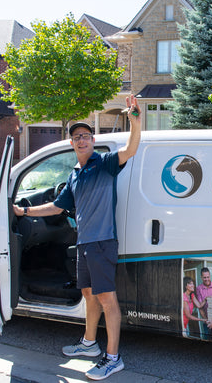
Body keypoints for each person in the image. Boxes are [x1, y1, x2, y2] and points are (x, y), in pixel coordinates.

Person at [13, 95, 141, 381]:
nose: (81, 141)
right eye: (76, 138)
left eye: (85, 136)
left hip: (102, 242)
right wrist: (22, 210)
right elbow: (57, 206)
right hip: (84, 243)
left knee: (108, 300)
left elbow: (131, 149)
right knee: (88, 294)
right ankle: (89, 343)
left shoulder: (105, 163)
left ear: (92, 140)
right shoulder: (74, 175)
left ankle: (113, 358)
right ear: (72, 144)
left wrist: (135, 120)